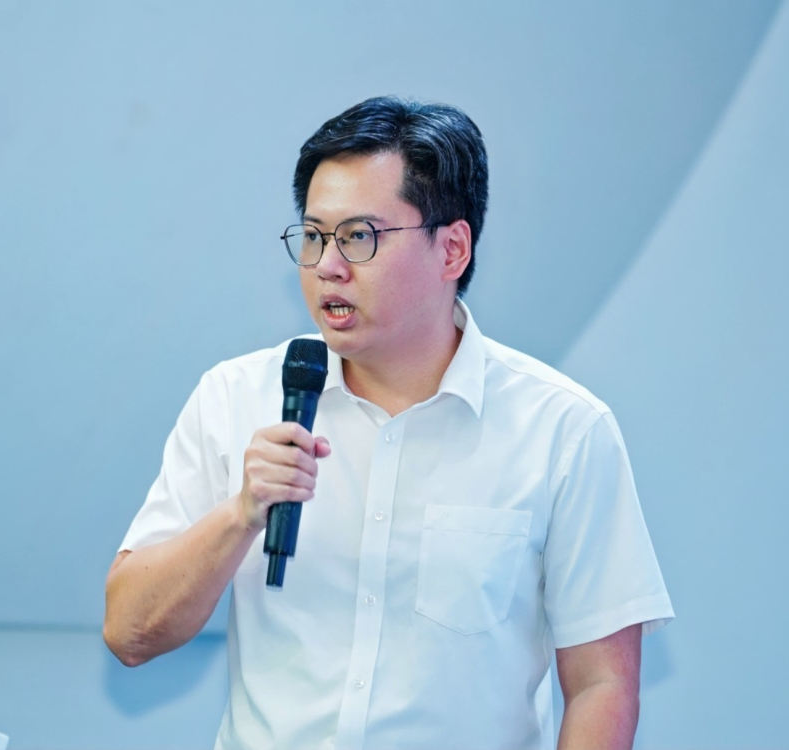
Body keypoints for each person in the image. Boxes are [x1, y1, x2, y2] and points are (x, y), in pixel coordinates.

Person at [103, 96, 674, 750]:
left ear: (451, 249)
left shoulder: (562, 429)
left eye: (359, 236)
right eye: (314, 236)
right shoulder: (235, 397)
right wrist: (240, 513)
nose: (328, 265)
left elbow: (603, 683)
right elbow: (129, 633)